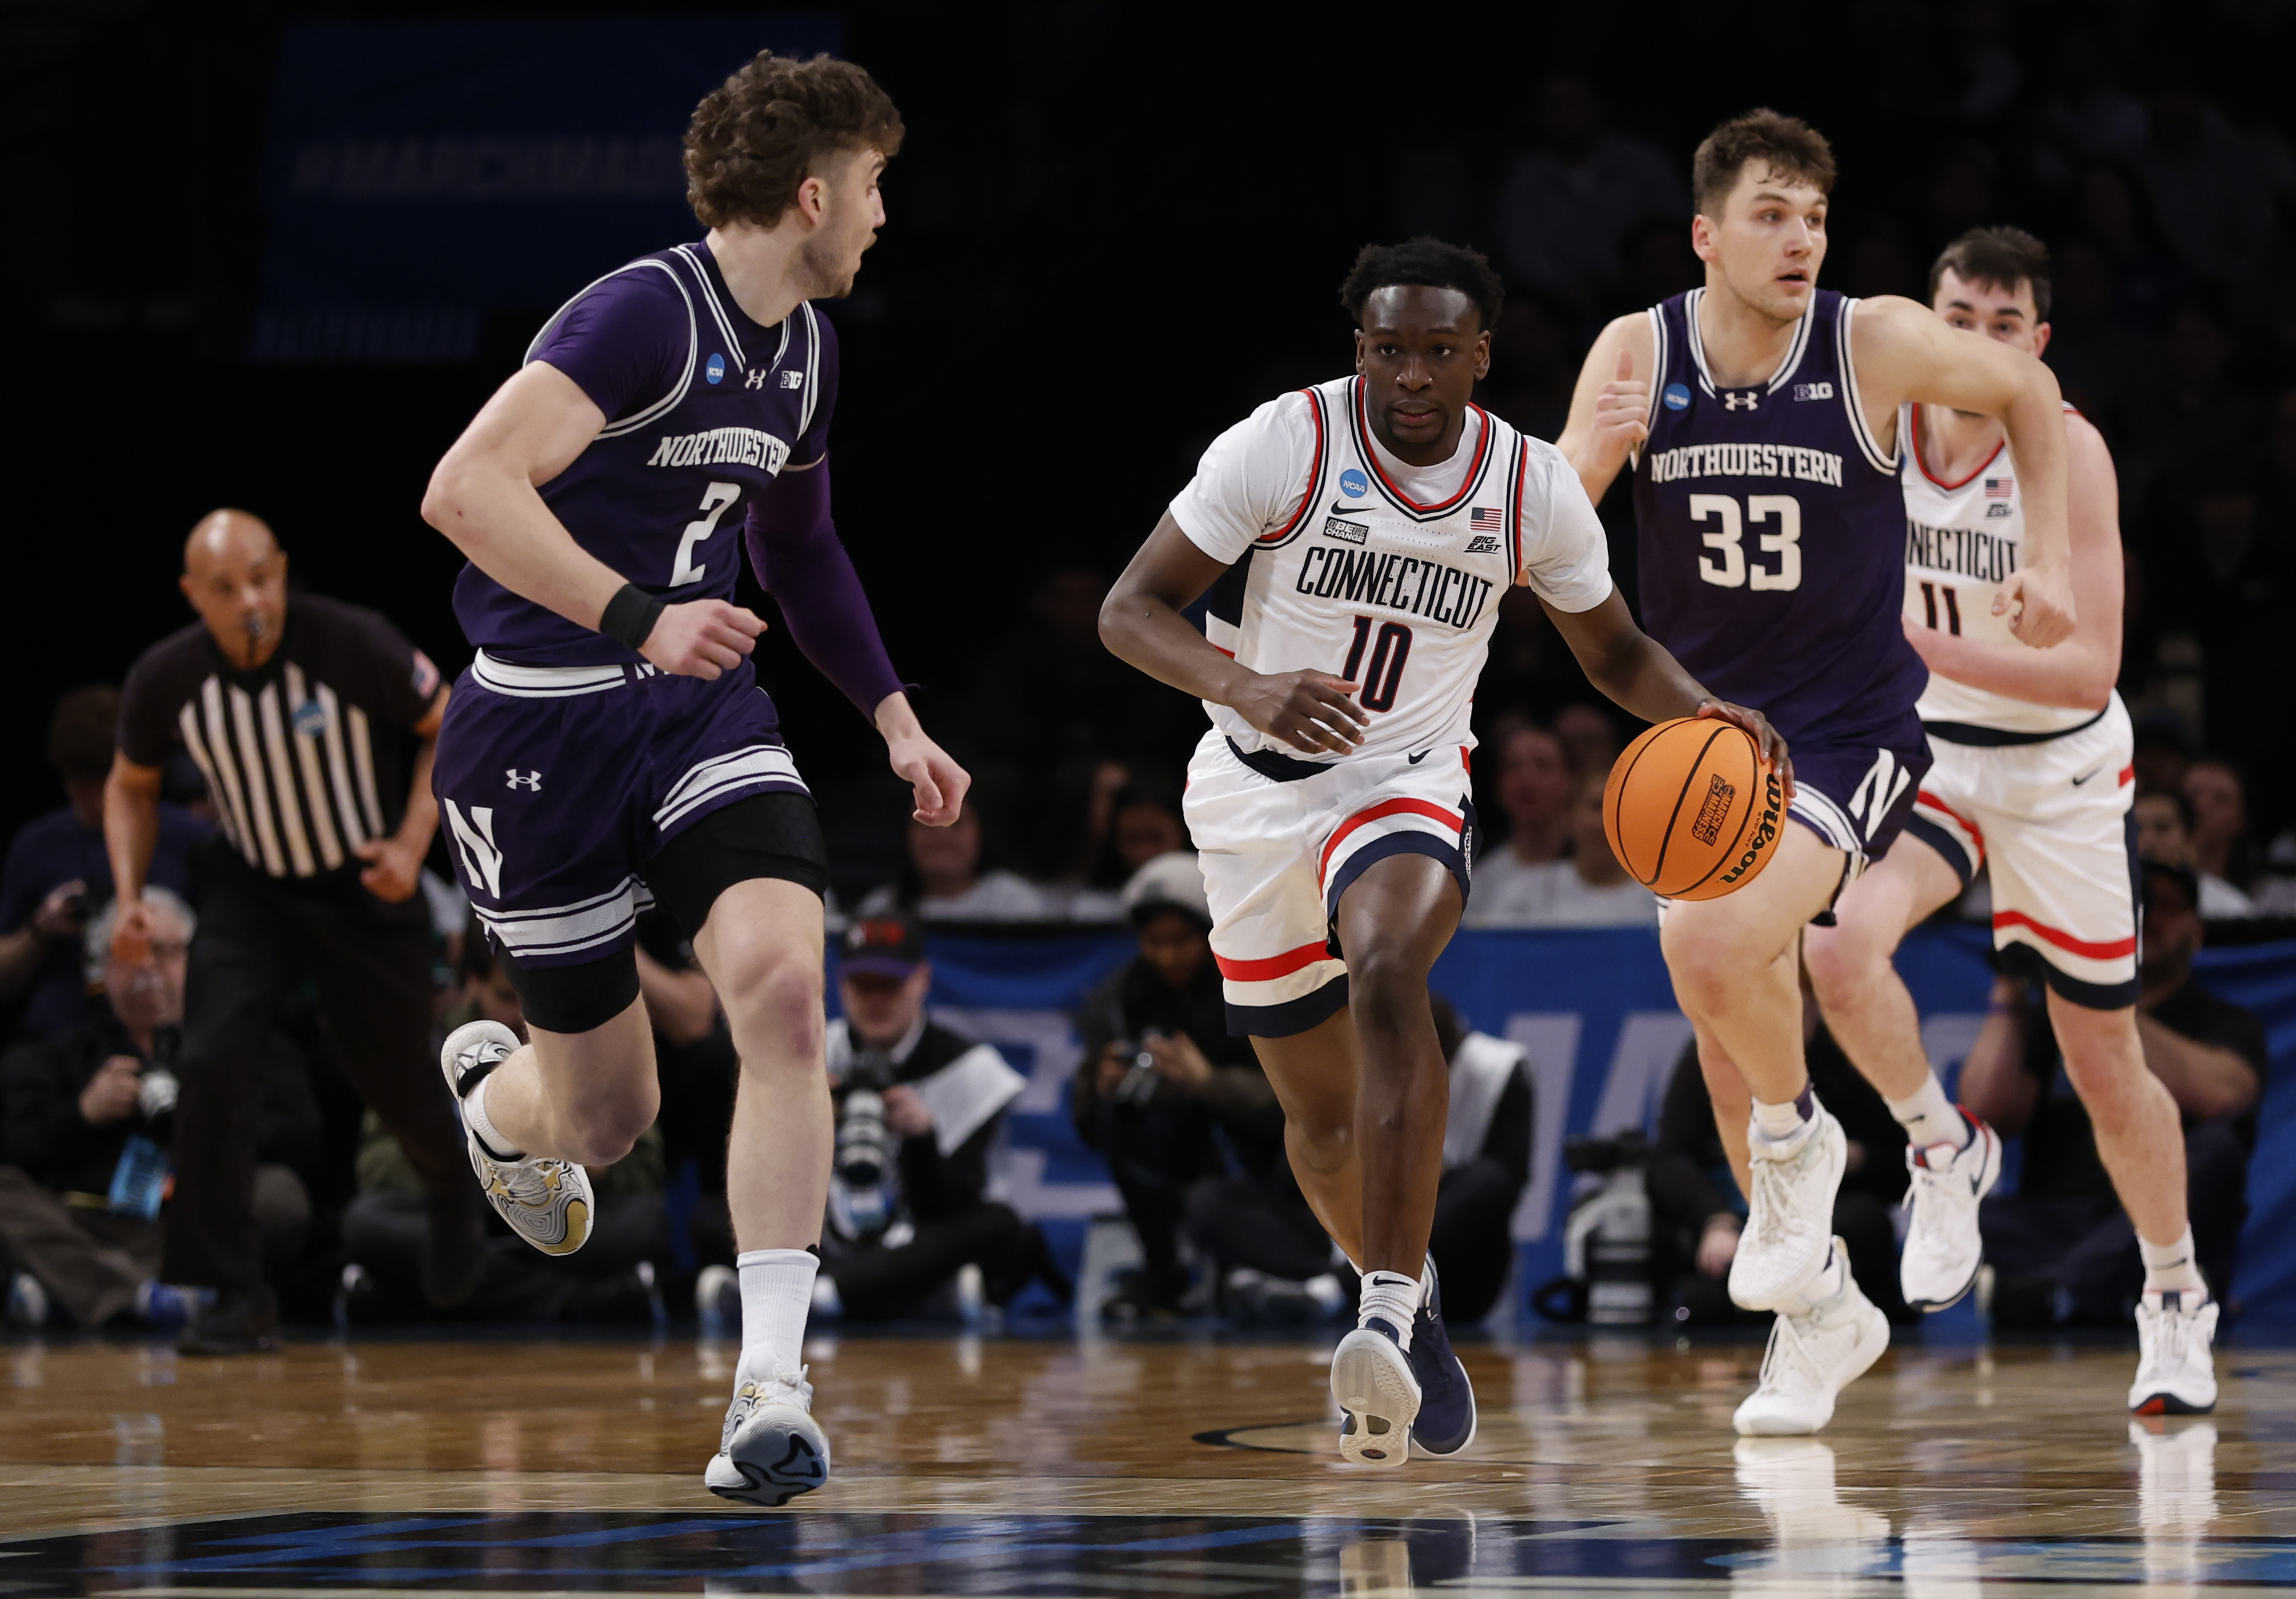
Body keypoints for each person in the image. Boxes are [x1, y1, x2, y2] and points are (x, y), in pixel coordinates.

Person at [1100, 235, 1782, 1464]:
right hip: (1249, 795)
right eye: (1385, 349)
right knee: (1315, 1123)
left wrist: (1704, 711)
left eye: (1434, 351)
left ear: (1480, 355)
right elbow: (1130, 608)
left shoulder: (1528, 489)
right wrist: (1243, 684)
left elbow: (1614, 651)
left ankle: (1381, 1305)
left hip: (1404, 777)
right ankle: (1412, 1309)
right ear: (1358, 348)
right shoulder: (1285, 444)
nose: (1407, 374)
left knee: (1387, 970)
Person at [415, 50, 966, 1507]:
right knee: (603, 1118)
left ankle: (769, 1383)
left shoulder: (805, 351)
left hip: (698, 718)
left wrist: (893, 717)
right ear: (810, 192)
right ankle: (500, 1105)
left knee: (785, 987)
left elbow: (796, 551)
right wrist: (637, 614)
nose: (880, 217)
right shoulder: (639, 315)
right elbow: (462, 491)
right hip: (536, 731)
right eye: (872, 188)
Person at [1559, 115, 2077, 1437]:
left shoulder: (1870, 339)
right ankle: (1819, 1320)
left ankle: (1836, 1152)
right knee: (1709, 979)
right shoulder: (1634, 347)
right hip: (1705, 736)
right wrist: (1589, 464)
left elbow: (2024, 395)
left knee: (1731, 936)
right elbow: (1541, 550)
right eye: (1771, 215)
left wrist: (2052, 561)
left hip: (1844, 729)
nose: (1799, 238)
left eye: (1813, 216)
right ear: (1704, 234)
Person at [1798, 226, 2223, 1416]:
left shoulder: (2070, 451)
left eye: (1999, 326)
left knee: (2101, 1061)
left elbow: (2090, 669)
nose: (1971, 344)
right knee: (1834, 944)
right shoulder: (1874, 430)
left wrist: (1905, 642)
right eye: (1955, 318)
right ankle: (1944, 1146)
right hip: (1929, 753)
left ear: (2034, 345)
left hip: (2057, 774)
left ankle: (2174, 1289)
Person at [105, 509, 484, 1354]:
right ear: (191, 596)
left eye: (262, 578)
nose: (251, 601)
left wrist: (414, 842)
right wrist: (131, 894)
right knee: (207, 1063)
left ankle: (453, 1192)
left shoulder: (353, 643)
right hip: (251, 891)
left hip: (361, 884)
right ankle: (234, 1296)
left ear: (283, 570)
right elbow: (130, 786)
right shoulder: (167, 677)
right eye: (227, 588)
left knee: (396, 1086)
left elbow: (449, 720)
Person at [1961, 861, 2261, 1343]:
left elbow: (2225, 1095)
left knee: (2217, 1150)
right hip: (2060, 1218)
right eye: (2137, 905)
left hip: (2156, 1221)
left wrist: (2094, 998)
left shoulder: (2225, 1019)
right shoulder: (2052, 1015)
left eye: (2166, 907)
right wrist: (2011, 989)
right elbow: (1983, 1114)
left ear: (2197, 933)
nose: (2149, 919)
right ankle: (2101, 1288)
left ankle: (2069, 1288)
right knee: (1961, 1213)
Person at [0, 890, 314, 1331]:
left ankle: (71, 1295)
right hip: (87, 1226)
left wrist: (200, 1117)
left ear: (196, 962)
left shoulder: (245, 1046)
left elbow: (299, 1135)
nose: (147, 967)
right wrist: (82, 1115)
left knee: (280, 1194)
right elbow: (17, 1146)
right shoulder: (60, 1055)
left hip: (191, 1225)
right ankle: (143, 1296)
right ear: (102, 969)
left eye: (165, 952)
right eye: (130, 953)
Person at [794, 914, 1055, 1321]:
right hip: (827, 1240)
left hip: (920, 1241)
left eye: (890, 985)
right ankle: (907, 1295)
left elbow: (953, 1211)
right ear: (841, 985)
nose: (876, 1000)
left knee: (1001, 1226)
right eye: (864, 986)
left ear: (923, 980)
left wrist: (923, 1139)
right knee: (711, 1214)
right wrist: (807, 1123)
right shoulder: (811, 1057)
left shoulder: (973, 1069)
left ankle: (817, 1297)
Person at [1073, 852, 1290, 1321]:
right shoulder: (1120, 999)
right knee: (1125, 1122)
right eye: (1153, 942)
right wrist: (1098, 1085)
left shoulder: (1259, 986)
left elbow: (1297, 1103)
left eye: (1181, 941)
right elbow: (1091, 1130)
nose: (1166, 956)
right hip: (1182, 1152)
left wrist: (1208, 1083)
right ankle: (1164, 1265)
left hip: (1267, 1162)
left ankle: (1260, 1263)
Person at [1650, 990, 1912, 1328]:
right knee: (1699, 1284)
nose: (1781, 1027)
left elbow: (1899, 1164)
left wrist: (1852, 1157)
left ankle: (1835, 1315)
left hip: (1823, 1217)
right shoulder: (1716, 1054)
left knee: (1864, 1224)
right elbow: (1669, 1158)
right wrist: (1714, 1218)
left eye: (1796, 1010)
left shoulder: (1850, 1062)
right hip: (1737, 1217)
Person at [0, 688, 205, 1041]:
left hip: (173, 1033)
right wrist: (39, 930)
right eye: (82, 786)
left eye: (107, 785)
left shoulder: (187, 838)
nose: (96, 802)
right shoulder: (37, 845)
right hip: (62, 1039)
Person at [1466, 769, 1657, 928]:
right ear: (1570, 815)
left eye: (1618, 808)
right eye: (1596, 806)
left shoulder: (1659, 903)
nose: (1605, 822)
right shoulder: (1525, 895)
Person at [852, 802, 1059, 922]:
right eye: (926, 823)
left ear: (981, 834)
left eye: (956, 822)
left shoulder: (1014, 902)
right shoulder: (879, 909)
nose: (941, 836)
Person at [1461, 725, 1574, 918]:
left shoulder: (1602, 875)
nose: (1526, 780)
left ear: (1570, 779)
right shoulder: (1478, 884)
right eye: (1513, 766)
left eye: (1543, 765)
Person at [2135, 789, 2254, 918]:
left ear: (2190, 836)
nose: (2147, 841)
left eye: (2162, 828)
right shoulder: (2112, 902)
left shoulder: (2232, 909)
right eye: (2136, 829)